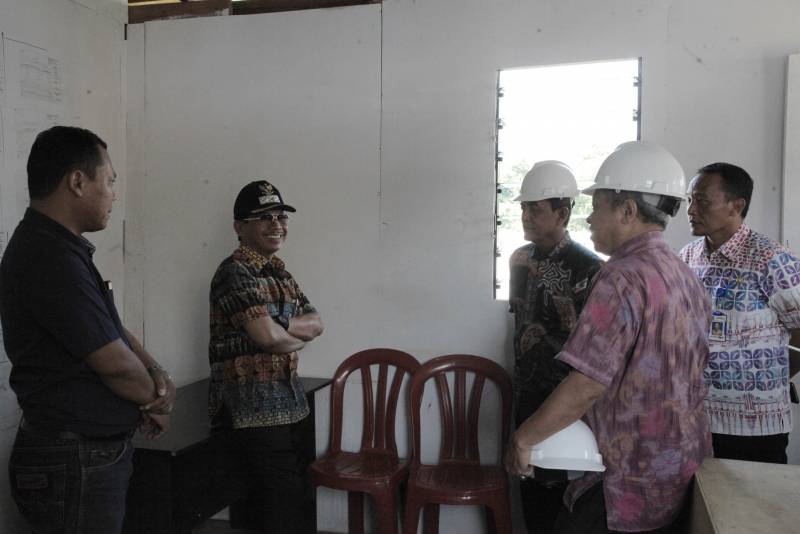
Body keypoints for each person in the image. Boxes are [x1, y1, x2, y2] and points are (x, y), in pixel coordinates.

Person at [506, 141, 711, 534]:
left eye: (597, 206)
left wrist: (524, 438)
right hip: (679, 468)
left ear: (627, 211)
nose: (589, 218)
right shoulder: (684, 274)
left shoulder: (620, 277)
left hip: (627, 476)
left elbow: (588, 382)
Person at [0, 126, 175, 534]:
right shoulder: (47, 256)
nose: (114, 194)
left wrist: (156, 372)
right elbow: (114, 363)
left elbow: (112, 329)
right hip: (74, 456)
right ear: (78, 182)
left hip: (83, 454)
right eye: (110, 181)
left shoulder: (61, 248)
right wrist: (157, 401)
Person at [208, 180, 324, 534]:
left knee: (289, 502)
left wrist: (280, 324)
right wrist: (289, 336)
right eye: (264, 218)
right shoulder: (234, 272)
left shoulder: (281, 273)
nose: (277, 225)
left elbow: (317, 323)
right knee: (279, 508)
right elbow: (267, 338)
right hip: (252, 410)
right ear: (239, 227)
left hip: (291, 404)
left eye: (281, 217)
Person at [681, 163, 800, 464]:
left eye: (702, 201)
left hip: (754, 427)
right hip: (694, 418)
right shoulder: (687, 257)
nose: (691, 210)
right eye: (689, 200)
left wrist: (774, 377)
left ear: (736, 205)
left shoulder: (770, 259)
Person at [509, 161, 603, 534]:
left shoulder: (589, 268)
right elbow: (519, 320)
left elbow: (592, 348)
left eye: (534, 209)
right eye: (523, 208)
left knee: (564, 496)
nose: (525, 216)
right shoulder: (519, 259)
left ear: (562, 214)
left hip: (566, 403)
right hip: (526, 393)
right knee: (529, 485)